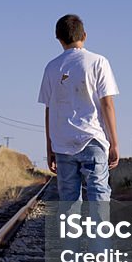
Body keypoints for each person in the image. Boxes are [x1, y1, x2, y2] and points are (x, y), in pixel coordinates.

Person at [38, 14, 119, 201]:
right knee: (98, 193)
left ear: (59, 38)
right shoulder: (99, 62)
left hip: (62, 144)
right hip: (93, 139)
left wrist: (49, 146)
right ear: (84, 35)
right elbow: (107, 104)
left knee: (69, 199)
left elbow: (49, 109)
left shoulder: (51, 67)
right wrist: (114, 142)